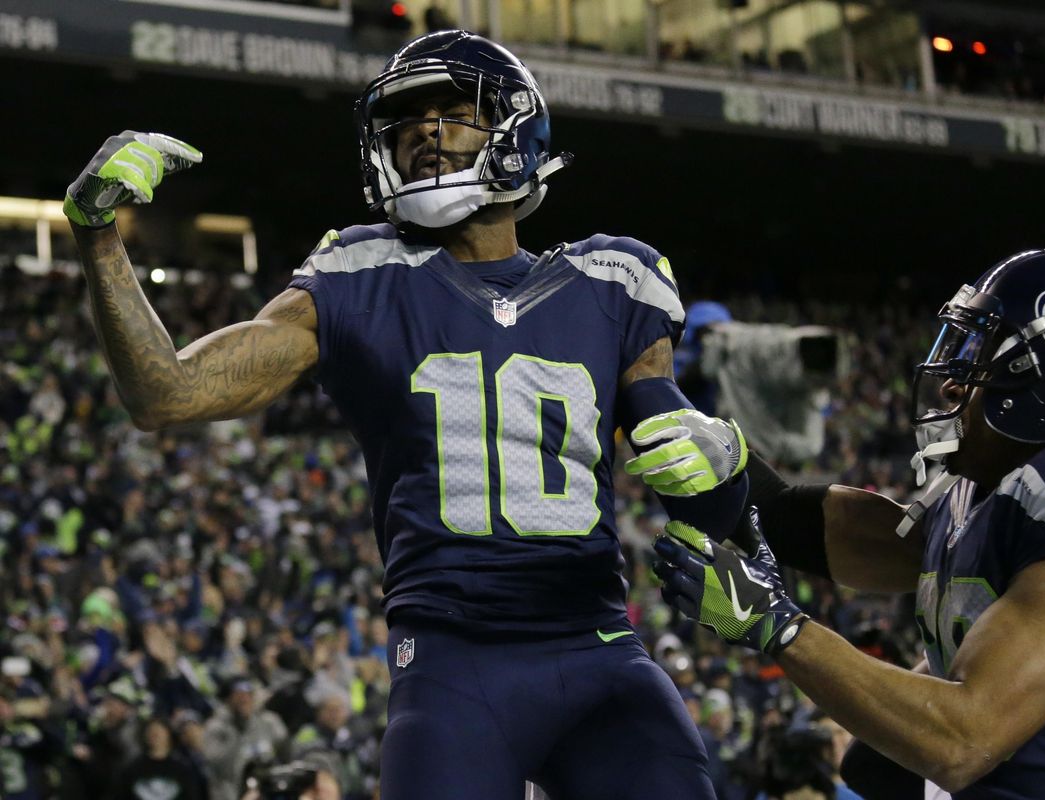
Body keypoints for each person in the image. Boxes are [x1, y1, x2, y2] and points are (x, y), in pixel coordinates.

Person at [64, 29, 750, 800]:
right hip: (452, 665)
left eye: (454, 111)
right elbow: (167, 393)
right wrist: (99, 241)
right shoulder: (360, 274)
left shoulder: (614, 279)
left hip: (597, 649)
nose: (426, 131)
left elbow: (704, 503)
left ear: (520, 127)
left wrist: (724, 457)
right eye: (407, 120)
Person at [633, 250, 1045, 798]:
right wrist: (727, 458)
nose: (953, 381)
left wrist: (779, 625)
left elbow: (965, 739)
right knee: (870, 765)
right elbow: (794, 524)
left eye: (983, 354)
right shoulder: (986, 495)